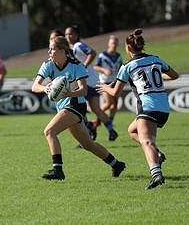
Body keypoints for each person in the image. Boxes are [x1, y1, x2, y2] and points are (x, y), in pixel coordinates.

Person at [31, 36, 125, 180]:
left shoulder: (76, 65)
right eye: (49, 49)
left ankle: (58, 170)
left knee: (49, 131)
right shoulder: (48, 65)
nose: (49, 52)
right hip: (63, 107)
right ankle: (116, 164)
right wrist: (45, 89)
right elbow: (34, 86)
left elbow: (83, 90)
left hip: (76, 105)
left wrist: (69, 93)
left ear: (62, 50)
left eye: (52, 49)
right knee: (87, 144)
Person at [96, 29, 179, 189]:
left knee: (147, 141)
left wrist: (105, 88)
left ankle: (156, 175)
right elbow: (175, 75)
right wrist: (157, 77)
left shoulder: (128, 65)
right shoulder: (156, 59)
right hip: (164, 108)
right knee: (132, 131)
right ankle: (158, 154)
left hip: (147, 107)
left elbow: (115, 93)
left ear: (128, 47)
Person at [65, 25, 118, 141]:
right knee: (96, 109)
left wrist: (83, 66)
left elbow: (92, 52)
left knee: (79, 109)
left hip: (85, 82)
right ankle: (111, 130)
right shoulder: (71, 49)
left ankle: (88, 131)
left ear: (77, 35)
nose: (68, 36)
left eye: (71, 34)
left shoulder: (78, 45)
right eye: (66, 34)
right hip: (93, 80)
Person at [94, 35, 122, 124]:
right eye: (112, 43)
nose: (114, 45)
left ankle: (110, 120)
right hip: (104, 82)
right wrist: (104, 70)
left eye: (115, 43)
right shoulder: (102, 55)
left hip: (115, 82)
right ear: (108, 44)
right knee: (108, 103)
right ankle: (97, 120)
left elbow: (121, 68)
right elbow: (95, 67)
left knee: (115, 104)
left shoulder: (119, 56)